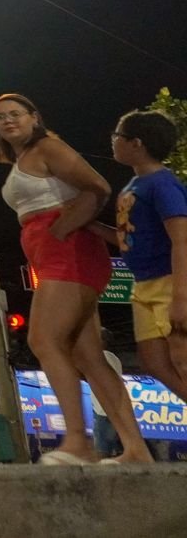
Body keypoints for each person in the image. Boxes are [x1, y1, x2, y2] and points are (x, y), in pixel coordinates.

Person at [0, 93, 152, 464]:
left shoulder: (48, 147)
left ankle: (77, 441)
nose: (7, 121)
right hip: (54, 255)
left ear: (35, 117)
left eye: (16, 113)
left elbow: (97, 187)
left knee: (43, 339)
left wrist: (62, 228)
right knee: (88, 356)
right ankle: (136, 449)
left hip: (69, 255)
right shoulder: (22, 158)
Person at [94, 110, 187, 409]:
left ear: (136, 143)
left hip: (168, 280)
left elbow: (181, 238)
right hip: (143, 284)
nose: (113, 141)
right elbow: (128, 241)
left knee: (182, 361)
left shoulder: (162, 184)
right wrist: (89, 226)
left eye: (117, 136)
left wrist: (181, 297)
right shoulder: (135, 186)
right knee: (155, 363)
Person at [88, 331, 125, 460]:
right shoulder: (115, 358)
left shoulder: (102, 357)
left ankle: (100, 476)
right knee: (111, 449)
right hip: (112, 411)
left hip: (103, 411)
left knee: (101, 450)